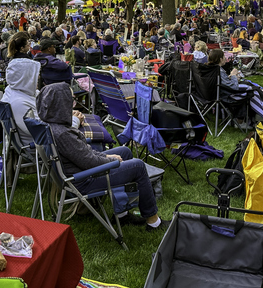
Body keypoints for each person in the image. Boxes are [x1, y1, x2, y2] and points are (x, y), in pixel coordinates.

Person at [37, 83, 168, 231]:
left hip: (78, 171)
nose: (73, 104)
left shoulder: (51, 124)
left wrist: (108, 156)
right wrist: (110, 160)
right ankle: (153, 222)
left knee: (125, 152)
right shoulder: (62, 133)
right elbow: (89, 161)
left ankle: (122, 214)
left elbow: (83, 154)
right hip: (83, 180)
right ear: (61, 103)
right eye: (70, 100)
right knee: (137, 165)